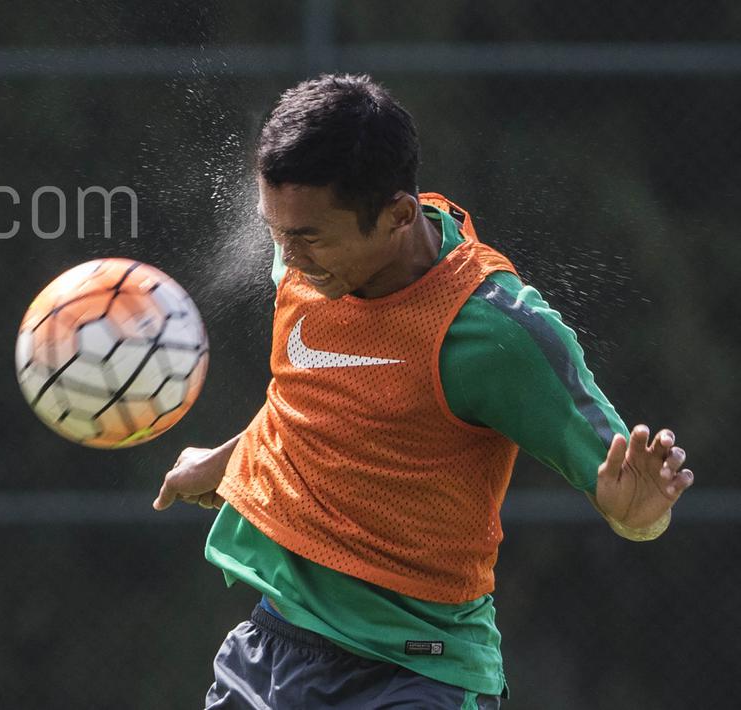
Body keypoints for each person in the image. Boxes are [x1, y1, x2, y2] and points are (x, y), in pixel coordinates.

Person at [151, 74, 694, 709]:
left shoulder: (496, 334)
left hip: (415, 675)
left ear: (398, 216)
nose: (287, 257)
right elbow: (330, 393)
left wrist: (640, 513)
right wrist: (226, 462)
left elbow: (625, 492)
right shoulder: (307, 264)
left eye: (308, 238)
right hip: (277, 647)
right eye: (277, 232)